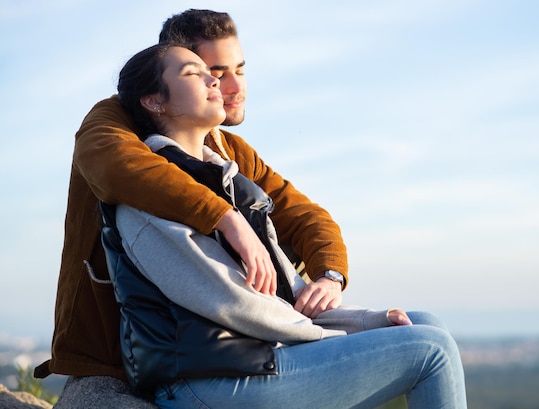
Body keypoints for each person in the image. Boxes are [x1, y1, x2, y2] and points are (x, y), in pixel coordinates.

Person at [109, 41, 466, 408]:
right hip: (208, 381)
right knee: (430, 348)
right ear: (154, 101)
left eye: (208, 71)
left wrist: (366, 320)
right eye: (192, 73)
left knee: (425, 323)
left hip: (256, 357)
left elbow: (289, 294)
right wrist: (345, 334)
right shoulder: (150, 197)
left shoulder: (227, 181)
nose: (213, 80)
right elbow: (234, 303)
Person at [35, 11, 349, 406]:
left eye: (240, 69)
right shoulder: (113, 119)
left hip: (224, 346)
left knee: (417, 332)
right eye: (213, 70)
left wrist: (330, 276)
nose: (229, 84)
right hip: (122, 354)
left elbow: (302, 214)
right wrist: (226, 217)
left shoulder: (227, 149)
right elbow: (122, 167)